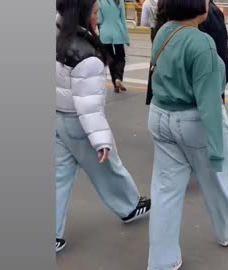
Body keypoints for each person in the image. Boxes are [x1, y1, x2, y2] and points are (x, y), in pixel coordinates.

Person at [147, 0, 228, 268]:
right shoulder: (202, 43)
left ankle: (162, 261)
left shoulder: (164, 31)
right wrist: (217, 153)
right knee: (216, 180)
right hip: (192, 121)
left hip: (160, 116)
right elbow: (210, 105)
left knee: (165, 192)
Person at [55, 0, 151, 253]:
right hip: (79, 123)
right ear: (82, 13)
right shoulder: (87, 54)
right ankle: (130, 206)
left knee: (58, 178)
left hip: (57, 119)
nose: (98, 17)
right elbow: (89, 107)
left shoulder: (57, 35)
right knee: (109, 168)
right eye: (95, 12)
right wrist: (101, 142)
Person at [97, 0, 130, 93]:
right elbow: (123, 19)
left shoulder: (100, 1)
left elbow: (100, 19)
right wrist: (126, 39)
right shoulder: (120, 1)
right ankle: (118, 77)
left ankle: (115, 82)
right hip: (118, 32)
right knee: (120, 57)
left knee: (110, 59)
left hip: (105, 33)